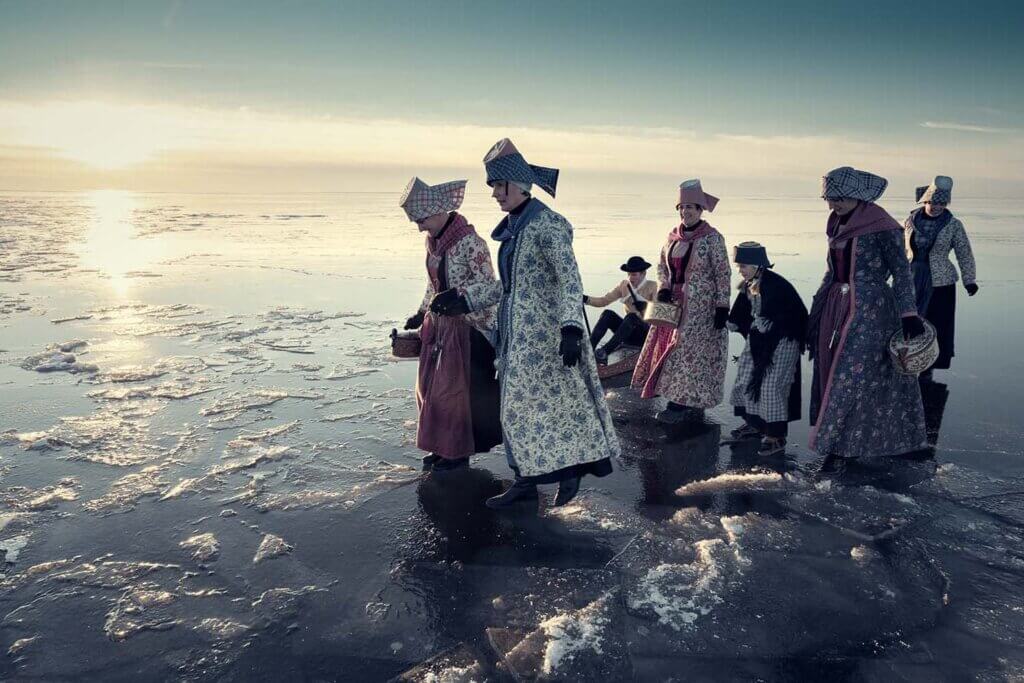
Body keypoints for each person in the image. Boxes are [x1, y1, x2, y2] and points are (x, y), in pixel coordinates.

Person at [430, 138, 619, 509]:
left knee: (553, 408)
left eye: (499, 186)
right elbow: (510, 286)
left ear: (519, 185)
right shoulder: (516, 226)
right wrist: (463, 299)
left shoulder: (548, 225)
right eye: (493, 187)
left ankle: (567, 471)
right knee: (518, 413)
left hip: (546, 338)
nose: (495, 194)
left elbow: (569, 280)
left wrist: (571, 328)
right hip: (516, 338)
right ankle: (527, 481)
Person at [808, 167, 928, 459]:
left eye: (839, 198)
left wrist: (908, 312)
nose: (833, 204)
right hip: (836, 306)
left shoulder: (883, 226)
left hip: (870, 311)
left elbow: (901, 272)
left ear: (857, 197)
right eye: (829, 198)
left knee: (853, 375)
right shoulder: (836, 222)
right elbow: (832, 269)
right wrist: (817, 309)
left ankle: (850, 444)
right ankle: (838, 442)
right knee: (832, 369)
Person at [399, 177, 502, 471]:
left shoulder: (472, 243)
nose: (420, 228)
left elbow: (489, 287)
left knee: (455, 395)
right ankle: (441, 447)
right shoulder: (434, 243)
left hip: (466, 329)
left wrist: (459, 299)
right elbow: (433, 285)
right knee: (431, 390)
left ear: (438, 212)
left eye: (421, 221)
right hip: (439, 327)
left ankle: (457, 453)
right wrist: (421, 312)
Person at [631, 179, 731, 424]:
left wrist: (722, 305)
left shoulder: (712, 239)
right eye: (682, 207)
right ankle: (675, 397)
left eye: (690, 207)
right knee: (668, 348)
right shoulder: (672, 238)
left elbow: (722, 273)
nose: (685, 212)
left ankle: (680, 404)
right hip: (672, 306)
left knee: (688, 354)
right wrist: (664, 288)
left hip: (701, 309)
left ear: (700, 210)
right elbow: (661, 267)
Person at [725, 242, 808, 456]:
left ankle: (776, 435)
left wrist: (770, 323)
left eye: (743, 266)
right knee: (746, 379)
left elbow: (793, 315)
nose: (740, 270)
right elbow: (742, 308)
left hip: (783, 341)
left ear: (757, 265)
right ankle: (755, 424)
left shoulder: (775, 285)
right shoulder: (750, 283)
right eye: (739, 266)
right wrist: (735, 321)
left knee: (772, 387)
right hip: (759, 339)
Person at [904, 175, 978, 380]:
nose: (937, 207)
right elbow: (899, 252)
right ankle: (906, 358)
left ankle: (929, 366)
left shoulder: (953, 225)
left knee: (936, 323)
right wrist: (884, 276)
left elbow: (964, 253)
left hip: (941, 282)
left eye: (942, 204)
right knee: (909, 320)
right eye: (933, 203)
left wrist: (969, 280)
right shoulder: (910, 221)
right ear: (925, 201)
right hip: (912, 278)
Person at [583, 255, 657, 363]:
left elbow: (659, 314)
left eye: (634, 274)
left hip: (646, 334)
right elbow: (604, 301)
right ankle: (588, 351)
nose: (630, 278)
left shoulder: (653, 286)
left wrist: (647, 306)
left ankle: (604, 352)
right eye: (629, 274)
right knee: (607, 314)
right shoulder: (624, 285)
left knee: (631, 317)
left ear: (643, 274)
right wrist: (586, 299)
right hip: (628, 330)